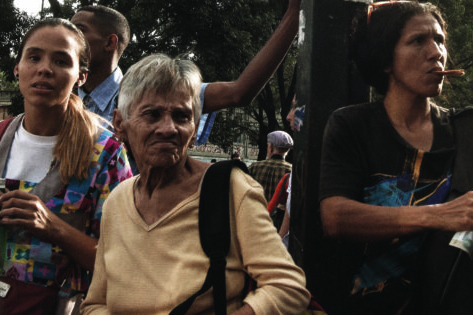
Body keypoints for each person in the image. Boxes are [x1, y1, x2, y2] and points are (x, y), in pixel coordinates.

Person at [319, 0, 473, 313]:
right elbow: (335, 217)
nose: (436, 52)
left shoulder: (470, 128)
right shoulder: (351, 125)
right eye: (418, 41)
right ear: (385, 58)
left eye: (440, 40)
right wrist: (438, 214)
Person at [82, 54, 309, 315]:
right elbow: (96, 303)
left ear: (193, 130)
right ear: (120, 124)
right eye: (152, 115)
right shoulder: (117, 201)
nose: (168, 128)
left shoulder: (231, 189)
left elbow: (287, 286)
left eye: (181, 116)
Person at [0, 19, 133, 312]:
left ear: (81, 76)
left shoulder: (105, 155)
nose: (45, 69)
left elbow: (125, 261)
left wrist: (53, 227)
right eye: (34, 57)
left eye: (61, 61)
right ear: (18, 68)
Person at [71, 0, 306, 122]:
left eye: (80, 30)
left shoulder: (150, 90)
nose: (70, 38)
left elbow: (238, 93)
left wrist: (293, 16)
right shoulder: (58, 98)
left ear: (110, 43)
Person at [250, 130, 293, 230]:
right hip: (277, 227)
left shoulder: (254, 167)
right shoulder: (292, 171)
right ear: (287, 150)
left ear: (270, 147)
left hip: (254, 222)